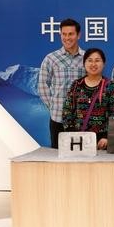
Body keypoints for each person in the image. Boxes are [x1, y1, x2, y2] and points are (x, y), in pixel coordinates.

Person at [38, 18, 86, 148]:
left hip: (81, 119)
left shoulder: (87, 58)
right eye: (64, 34)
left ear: (78, 35)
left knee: (82, 154)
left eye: (71, 34)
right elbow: (42, 85)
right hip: (57, 119)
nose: (67, 38)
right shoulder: (51, 59)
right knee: (57, 155)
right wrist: (54, 106)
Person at [62, 48, 114, 150]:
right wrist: (72, 134)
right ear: (84, 63)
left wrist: (107, 137)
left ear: (103, 63)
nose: (93, 64)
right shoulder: (76, 85)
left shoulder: (111, 86)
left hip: (101, 141)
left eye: (97, 60)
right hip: (77, 139)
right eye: (90, 60)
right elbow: (67, 111)